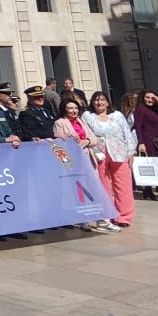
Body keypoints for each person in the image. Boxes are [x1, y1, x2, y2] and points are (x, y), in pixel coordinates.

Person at [53, 100, 119, 233]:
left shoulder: (81, 121)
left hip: (88, 158)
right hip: (73, 161)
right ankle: (83, 219)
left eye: (76, 108)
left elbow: (94, 138)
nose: (74, 111)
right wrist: (71, 139)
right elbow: (58, 140)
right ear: (65, 110)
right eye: (70, 108)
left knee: (94, 189)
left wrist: (87, 140)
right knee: (80, 191)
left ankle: (102, 220)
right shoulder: (60, 123)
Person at [82, 91, 136, 228]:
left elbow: (127, 133)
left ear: (107, 102)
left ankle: (124, 216)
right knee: (102, 185)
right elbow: (85, 133)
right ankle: (106, 214)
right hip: (98, 154)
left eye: (102, 100)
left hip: (119, 153)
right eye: (96, 100)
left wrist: (131, 152)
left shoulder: (117, 115)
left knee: (123, 185)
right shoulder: (88, 116)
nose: (99, 103)